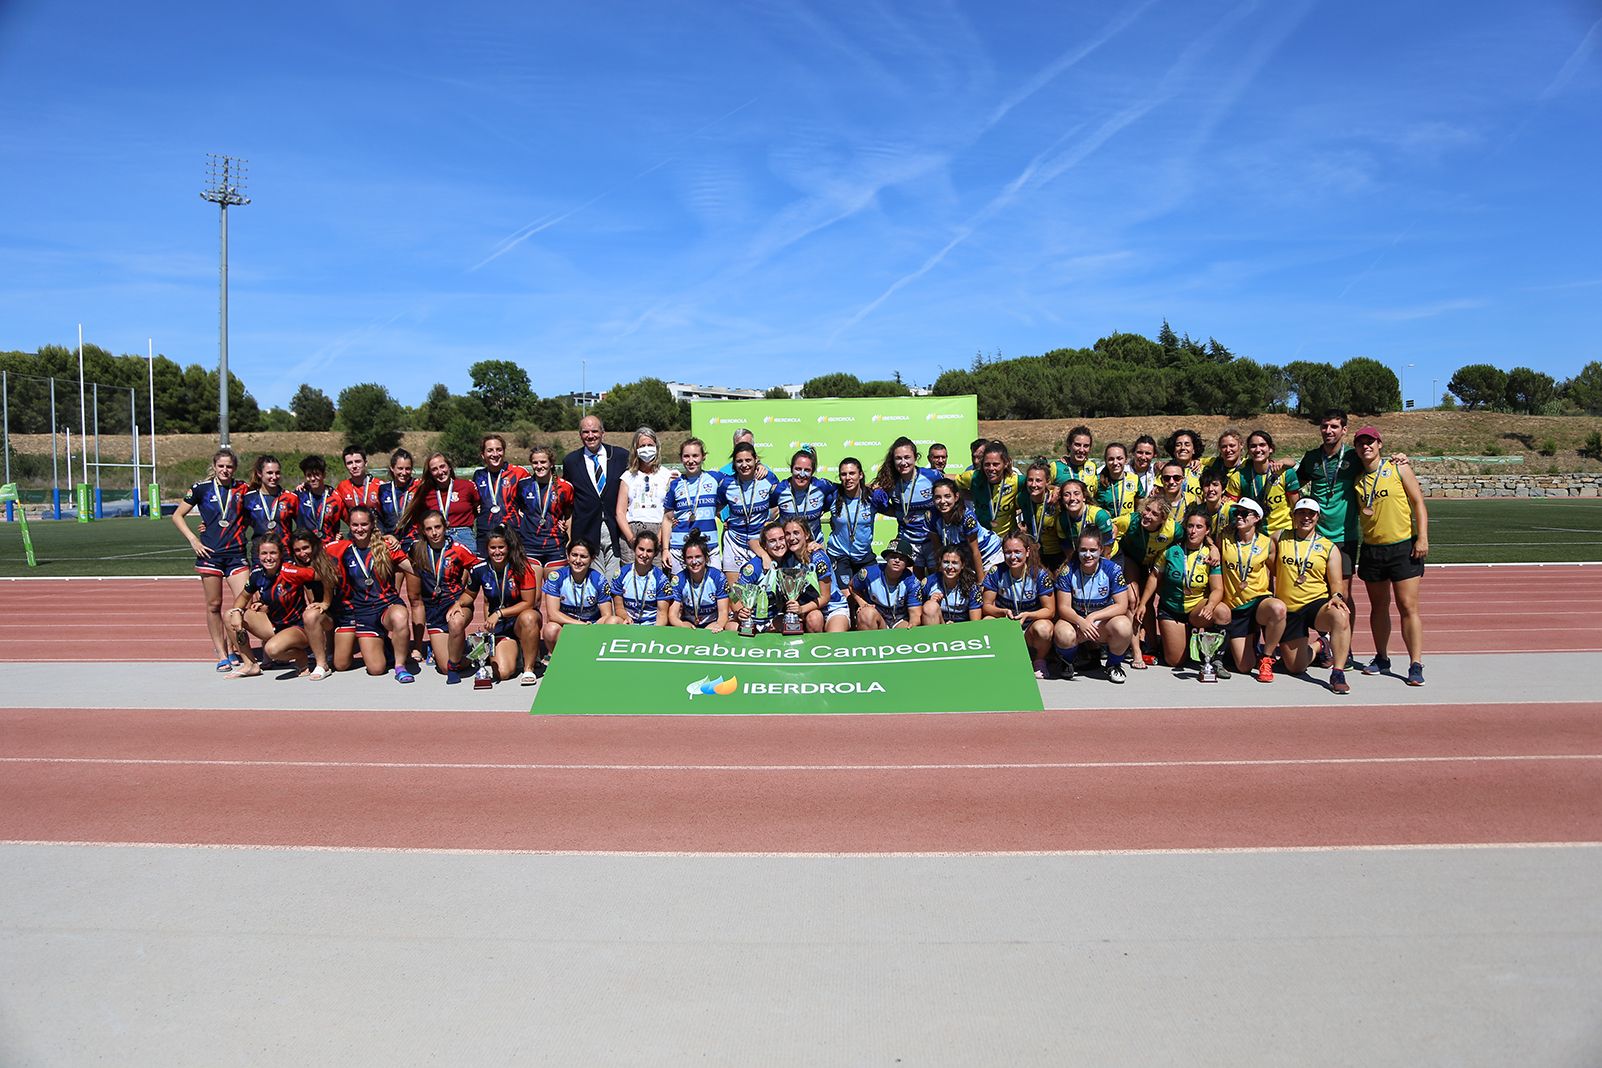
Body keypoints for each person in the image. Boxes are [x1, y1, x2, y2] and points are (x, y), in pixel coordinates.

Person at [1352, 425, 1429, 686]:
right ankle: (1382, 657)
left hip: (1402, 547)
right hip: (1373, 549)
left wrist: (1422, 537)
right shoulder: (1357, 480)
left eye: (1370, 442)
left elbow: (1418, 502)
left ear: (1380, 444)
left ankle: (1415, 663)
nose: (1366, 446)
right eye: (1361, 443)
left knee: (1407, 606)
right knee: (1379, 607)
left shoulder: (1398, 468)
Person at [173, 447, 251, 671]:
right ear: (215, 467)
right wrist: (192, 539)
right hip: (209, 554)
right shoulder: (201, 488)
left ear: (234, 468)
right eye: (221, 466)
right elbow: (178, 515)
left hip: (236, 553)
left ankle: (237, 648)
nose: (225, 470)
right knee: (214, 605)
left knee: (243, 603)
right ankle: (222, 652)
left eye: (229, 466)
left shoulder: (243, 488)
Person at [325, 505, 418, 682]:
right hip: (363, 612)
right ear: (349, 526)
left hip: (387, 606)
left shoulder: (386, 546)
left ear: (372, 525)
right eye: (355, 525)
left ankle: (400, 666)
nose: (359, 529)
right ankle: (387, 647)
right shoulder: (341, 549)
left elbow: (414, 569)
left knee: (400, 616)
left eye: (364, 524)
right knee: (374, 669)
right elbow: (313, 556)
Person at [1138, 505, 1228, 677]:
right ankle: (1174, 639)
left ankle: (1216, 658)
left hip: (1196, 609)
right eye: (1190, 526)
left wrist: (1210, 606)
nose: (1193, 531)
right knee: (1175, 661)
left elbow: (1217, 589)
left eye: (1199, 527)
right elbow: (1154, 577)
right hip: (1172, 609)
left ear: (1207, 530)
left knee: (1222, 612)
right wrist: (1143, 603)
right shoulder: (1172, 550)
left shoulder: (1210, 554)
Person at [1276, 499, 1353, 694]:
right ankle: (1321, 645)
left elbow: (1336, 582)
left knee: (1340, 615)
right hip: (1289, 609)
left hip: (1315, 605)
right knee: (1295, 667)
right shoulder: (1279, 538)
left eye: (1311, 514)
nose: (1306, 517)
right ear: (1293, 516)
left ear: (1318, 517)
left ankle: (1338, 672)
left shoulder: (1328, 547)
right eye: (1301, 513)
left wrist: (1336, 596)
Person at [223, 536, 320, 678]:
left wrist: (325, 602)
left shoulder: (291, 571)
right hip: (273, 625)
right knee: (229, 615)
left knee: (272, 650)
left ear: (281, 555)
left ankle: (301, 657)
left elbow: (325, 575)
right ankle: (250, 664)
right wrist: (238, 611)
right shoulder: (257, 574)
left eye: (273, 553)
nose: (268, 558)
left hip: (297, 628)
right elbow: (243, 597)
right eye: (264, 553)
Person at [462, 525, 545, 685]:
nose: (497, 552)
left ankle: (529, 669)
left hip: (519, 622)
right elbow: (469, 595)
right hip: (499, 627)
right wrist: (458, 604)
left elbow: (528, 603)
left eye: (501, 547)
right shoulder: (480, 569)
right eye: (493, 548)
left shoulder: (522, 567)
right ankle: (516, 652)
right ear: (487, 549)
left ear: (508, 547)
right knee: (504, 673)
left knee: (530, 617)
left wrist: (499, 613)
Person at [1053, 530, 1136, 683]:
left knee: (1124, 626)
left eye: (1093, 550)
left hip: (1101, 622)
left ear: (1101, 550)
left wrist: (1092, 617)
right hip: (1076, 621)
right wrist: (1081, 621)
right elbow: (1063, 607)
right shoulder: (1068, 571)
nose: (1088, 555)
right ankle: (1068, 662)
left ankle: (1113, 665)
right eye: (1083, 550)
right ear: (1077, 550)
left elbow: (1121, 605)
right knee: (1063, 633)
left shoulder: (1112, 569)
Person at [1219, 497, 1286, 682]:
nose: (1238, 516)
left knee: (1278, 608)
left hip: (1258, 601)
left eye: (1243, 513)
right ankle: (1251, 639)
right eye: (1236, 513)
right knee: (1244, 666)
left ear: (1256, 518)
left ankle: (1267, 657)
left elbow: (1276, 572)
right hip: (1235, 606)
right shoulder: (1224, 538)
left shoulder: (1267, 543)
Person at [409, 510, 480, 681]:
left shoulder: (458, 549)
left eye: (438, 527)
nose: (434, 533)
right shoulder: (416, 550)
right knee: (443, 667)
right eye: (429, 529)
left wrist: (465, 595)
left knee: (455, 624)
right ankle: (476, 654)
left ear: (445, 527)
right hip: (434, 610)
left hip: (456, 603)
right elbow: (397, 558)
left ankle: (454, 668)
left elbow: (479, 571)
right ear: (423, 531)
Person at [562, 414, 630, 581]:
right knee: (593, 581)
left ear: (603, 432)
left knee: (614, 580)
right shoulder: (571, 461)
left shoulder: (620, 456)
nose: (590, 435)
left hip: (615, 529)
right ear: (580, 434)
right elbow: (567, 497)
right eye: (585, 432)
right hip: (586, 530)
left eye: (594, 431)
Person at [982, 532, 1056, 676]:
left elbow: (1050, 610)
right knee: (987, 622)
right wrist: (1002, 612)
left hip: (1030, 627)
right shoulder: (996, 571)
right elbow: (986, 606)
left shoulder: (1039, 574)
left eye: (1017, 552)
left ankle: (1039, 661)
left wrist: (1029, 614)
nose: (1013, 557)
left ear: (1027, 552)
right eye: (1008, 552)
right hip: (1006, 625)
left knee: (1044, 628)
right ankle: (1000, 660)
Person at [869, 438, 943, 571]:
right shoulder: (889, 481)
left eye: (907, 457)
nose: (903, 462)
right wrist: (898, 512)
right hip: (907, 542)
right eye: (898, 458)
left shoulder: (932, 476)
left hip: (932, 541)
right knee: (911, 586)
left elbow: (951, 490)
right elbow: (879, 501)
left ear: (915, 457)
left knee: (935, 583)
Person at [660, 437, 727, 575]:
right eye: (686, 456)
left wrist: (760, 467)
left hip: (709, 546)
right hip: (680, 548)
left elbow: (741, 478)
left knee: (713, 589)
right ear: (681, 458)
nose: (691, 460)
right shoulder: (675, 484)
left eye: (695, 455)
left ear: (703, 457)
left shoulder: (716, 478)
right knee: (680, 592)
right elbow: (667, 519)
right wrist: (666, 549)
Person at [717, 440, 780, 585]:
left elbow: (778, 504)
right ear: (734, 463)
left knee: (763, 591)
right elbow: (718, 505)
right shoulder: (727, 483)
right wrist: (725, 518)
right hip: (734, 543)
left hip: (761, 544)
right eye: (739, 461)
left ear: (756, 460)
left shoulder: (768, 479)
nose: (744, 465)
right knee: (736, 593)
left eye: (748, 460)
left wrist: (769, 521)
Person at [539, 536, 613, 655]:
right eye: (574, 555)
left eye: (583, 556)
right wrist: (580, 625)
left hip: (592, 627)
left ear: (592, 559)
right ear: (568, 556)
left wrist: (591, 627)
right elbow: (553, 615)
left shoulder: (599, 579)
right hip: (567, 627)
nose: (578, 560)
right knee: (550, 629)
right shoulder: (556, 577)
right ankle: (557, 658)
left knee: (613, 621)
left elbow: (607, 615)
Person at [731, 523, 804, 634]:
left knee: (792, 625)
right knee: (731, 627)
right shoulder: (754, 567)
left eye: (781, 539)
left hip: (775, 619)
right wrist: (740, 611)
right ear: (764, 545)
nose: (778, 544)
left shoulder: (790, 561)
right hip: (752, 620)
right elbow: (733, 595)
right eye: (772, 541)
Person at [404, 451, 481, 554]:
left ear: (449, 467)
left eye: (442, 466)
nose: (440, 472)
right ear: (430, 473)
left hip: (464, 536)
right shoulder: (426, 492)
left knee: (470, 569)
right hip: (437, 538)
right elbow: (418, 518)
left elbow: (477, 507)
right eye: (434, 469)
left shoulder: (467, 486)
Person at [286, 531, 338, 680]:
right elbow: (308, 590)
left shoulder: (325, 559)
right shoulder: (299, 565)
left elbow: (328, 578)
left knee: (342, 663)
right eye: (297, 550)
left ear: (314, 546)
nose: (302, 553)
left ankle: (332, 646)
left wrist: (326, 602)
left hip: (343, 613)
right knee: (311, 614)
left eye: (305, 548)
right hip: (326, 616)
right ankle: (322, 664)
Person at [513, 445, 574, 570]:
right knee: (532, 589)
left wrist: (569, 538)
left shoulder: (565, 487)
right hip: (529, 545)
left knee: (554, 589)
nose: (539, 466)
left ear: (551, 463)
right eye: (535, 463)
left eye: (543, 462)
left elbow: (569, 514)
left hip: (555, 545)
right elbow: (517, 509)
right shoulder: (523, 485)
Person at [782, 517, 849, 633]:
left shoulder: (818, 558)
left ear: (806, 535)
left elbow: (825, 597)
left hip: (832, 607)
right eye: (787, 534)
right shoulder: (787, 558)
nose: (791, 538)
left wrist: (801, 609)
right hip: (811, 609)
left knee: (835, 639)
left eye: (796, 533)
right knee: (814, 619)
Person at [615, 427, 671, 564]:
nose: (646, 449)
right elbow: (620, 512)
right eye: (642, 446)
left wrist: (659, 539)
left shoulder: (667, 475)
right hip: (633, 531)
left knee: (657, 578)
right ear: (636, 449)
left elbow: (669, 512)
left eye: (650, 445)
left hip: (659, 530)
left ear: (657, 447)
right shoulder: (627, 476)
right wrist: (631, 539)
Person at [1227, 430, 1300, 535]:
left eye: (1262, 445)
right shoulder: (1238, 476)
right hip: (1254, 534)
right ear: (1248, 450)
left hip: (1283, 532)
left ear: (1270, 449)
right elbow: (1230, 506)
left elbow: (1295, 507)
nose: (1258, 450)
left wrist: (1296, 533)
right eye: (1253, 446)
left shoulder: (1285, 473)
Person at [930, 477, 1004, 579]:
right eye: (938, 497)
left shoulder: (967, 518)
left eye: (947, 496)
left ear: (956, 497)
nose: (942, 501)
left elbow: (975, 551)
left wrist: (980, 582)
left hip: (989, 553)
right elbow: (938, 550)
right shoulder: (930, 516)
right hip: (966, 556)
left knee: (987, 587)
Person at [825, 456, 878, 589]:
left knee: (873, 594)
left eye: (852, 473)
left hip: (864, 556)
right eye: (843, 474)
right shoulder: (833, 497)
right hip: (839, 555)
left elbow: (894, 511)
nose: (848, 478)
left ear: (860, 475)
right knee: (847, 598)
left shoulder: (872, 497)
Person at [953, 440, 1025, 538]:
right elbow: (948, 478)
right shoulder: (974, 477)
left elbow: (1040, 483)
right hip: (983, 539)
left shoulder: (1015, 480)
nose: (991, 468)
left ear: (1006, 463)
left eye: (996, 464)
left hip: (1007, 540)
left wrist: (1053, 489)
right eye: (987, 464)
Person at [472, 434, 528, 555]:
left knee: (514, 570)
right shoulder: (478, 475)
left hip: (512, 531)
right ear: (483, 455)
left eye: (499, 449)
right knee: (486, 571)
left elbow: (533, 498)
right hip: (485, 532)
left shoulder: (519, 473)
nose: (495, 454)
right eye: (490, 450)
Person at [852, 538, 923, 630]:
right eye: (893, 556)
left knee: (908, 629)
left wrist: (912, 626)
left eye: (902, 558)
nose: (897, 560)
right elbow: (852, 586)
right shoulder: (869, 573)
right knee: (866, 613)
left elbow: (915, 615)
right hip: (876, 617)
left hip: (900, 620)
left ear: (907, 563)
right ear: (886, 558)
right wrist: (863, 603)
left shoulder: (912, 582)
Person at [770, 448, 836, 547]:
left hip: (814, 545)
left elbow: (844, 488)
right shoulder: (780, 490)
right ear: (791, 469)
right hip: (789, 547)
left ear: (813, 471)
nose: (802, 474)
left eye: (807, 470)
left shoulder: (821, 486)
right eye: (798, 469)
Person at [668, 532, 729, 630]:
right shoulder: (678, 579)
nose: (694, 562)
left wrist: (718, 626)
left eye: (698, 556)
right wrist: (681, 625)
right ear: (684, 560)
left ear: (706, 557)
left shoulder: (718, 577)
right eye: (689, 558)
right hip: (689, 626)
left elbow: (723, 613)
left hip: (712, 625)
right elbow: (672, 615)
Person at [610, 529, 672, 626]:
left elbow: (662, 614)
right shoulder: (621, 574)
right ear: (635, 548)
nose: (644, 555)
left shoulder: (660, 579)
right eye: (641, 549)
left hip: (651, 626)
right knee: (612, 621)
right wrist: (625, 617)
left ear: (655, 553)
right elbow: (619, 608)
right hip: (628, 624)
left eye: (649, 551)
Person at [241, 454, 300, 553]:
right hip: (259, 552)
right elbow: (240, 526)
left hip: (285, 552)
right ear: (260, 473)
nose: (274, 477)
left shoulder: (291, 498)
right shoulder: (249, 498)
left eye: (277, 473)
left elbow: (302, 526)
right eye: (269, 473)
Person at [1017, 460, 1064, 571]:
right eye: (1030, 480)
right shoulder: (1021, 498)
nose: (1034, 485)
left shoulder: (1056, 500)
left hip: (1057, 554)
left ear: (1047, 482)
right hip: (1033, 553)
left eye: (1038, 480)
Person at [920, 545, 983, 625]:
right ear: (940, 563)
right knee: (930, 606)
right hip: (939, 627)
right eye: (946, 562)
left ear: (962, 565)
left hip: (964, 631)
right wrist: (930, 601)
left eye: (954, 563)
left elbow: (975, 623)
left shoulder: (972, 587)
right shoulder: (928, 583)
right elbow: (917, 613)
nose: (950, 567)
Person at [292, 455, 346, 542]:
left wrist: (338, 536)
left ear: (324, 475)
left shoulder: (335, 498)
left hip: (328, 547)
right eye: (309, 475)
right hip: (305, 549)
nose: (313, 479)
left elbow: (351, 520)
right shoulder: (299, 496)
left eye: (317, 474)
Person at [1056, 480, 1115, 553]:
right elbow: (1067, 549)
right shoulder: (1061, 519)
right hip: (1083, 558)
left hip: (1107, 557)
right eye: (1066, 495)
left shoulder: (1099, 515)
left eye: (1076, 494)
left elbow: (1107, 546)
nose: (1072, 498)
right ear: (1062, 499)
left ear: (1084, 497)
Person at [1096, 443, 1141, 536]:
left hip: (1129, 531)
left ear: (1126, 460)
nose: (1115, 463)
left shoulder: (1134, 479)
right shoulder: (1097, 481)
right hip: (1107, 531)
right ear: (1105, 461)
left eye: (1119, 458)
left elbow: (1140, 506)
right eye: (1111, 459)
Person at [377, 448, 420, 538]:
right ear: (392, 468)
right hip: (390, 539)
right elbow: (379, 519)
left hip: (413, 539)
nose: (404, 473)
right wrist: (384, 537)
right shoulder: (384, 490)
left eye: (407, 469)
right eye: (400, 468)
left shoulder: (418, 487)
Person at [335, 445, 384, 520]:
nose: (354, 466)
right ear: (345, 465)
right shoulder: (342, 487)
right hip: (356, 530)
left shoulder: (380, 486)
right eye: (349, 463)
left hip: (378, 530)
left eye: (358, 461)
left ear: (365, 463)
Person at [1052, 425, 1101, 498]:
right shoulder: (1056, 466)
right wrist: (1052, 488)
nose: (1081, 450)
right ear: (1069, 445)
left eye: (1086, 446)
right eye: (1077, 445)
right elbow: (1042, 487)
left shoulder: (1092, 466)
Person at [1164, 429, 1205, 503]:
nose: (1182, 448)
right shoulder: (1165, 470)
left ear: (1194, 450)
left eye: (1187, 444)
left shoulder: (1204, 471)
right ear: (1173, 450)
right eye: (1178, 445)